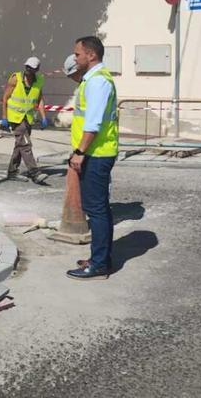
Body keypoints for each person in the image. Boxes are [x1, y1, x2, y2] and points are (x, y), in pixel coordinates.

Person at [63, 37, 119, 280]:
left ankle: (98, 265)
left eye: (77, 55)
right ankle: (99, 258)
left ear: (91, 55)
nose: (74, 59)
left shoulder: (97, 82)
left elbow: (93, 123)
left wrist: (79, 153)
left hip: (96, 154)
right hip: (97, 152)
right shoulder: (93, 80)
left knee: (96, 211)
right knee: (99, 209)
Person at [0, 56, 49, 184]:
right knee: (26, 144)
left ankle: (12, 172)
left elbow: (40, 99)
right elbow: (5, 98)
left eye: (31, 68)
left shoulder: (39, 80)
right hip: (15, 118)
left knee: (19, 146)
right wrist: (4, 118)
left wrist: (43, 117)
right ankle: (35, 173)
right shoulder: (15, 79)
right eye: (27, 67)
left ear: (36, 69)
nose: (28, 69)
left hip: (28, 118)